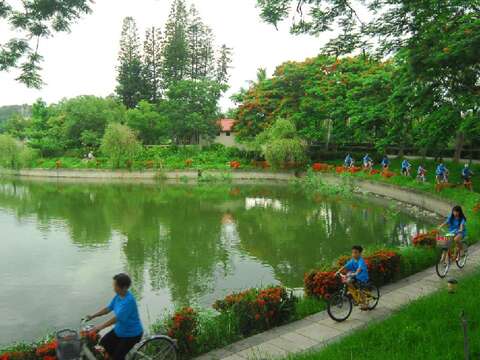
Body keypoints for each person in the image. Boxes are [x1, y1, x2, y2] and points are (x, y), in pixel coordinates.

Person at [86, 274, 143, 360]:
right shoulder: (118, 296)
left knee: (117, 357)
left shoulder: (129, 302)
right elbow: (108, 309)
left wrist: (100, 327)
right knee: (103, 344)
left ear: (124, 288)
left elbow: (117, 318)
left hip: (131, 334)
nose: (113, 288)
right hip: (120, 330)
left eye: (115, 285)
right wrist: (93, 316)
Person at [336, 245, 369, 310]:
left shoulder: (361, 261)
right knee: (347, 282)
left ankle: (365, 303)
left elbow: (359, 268)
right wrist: (338, 271)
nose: (353, 254)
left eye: (355, 252)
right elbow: (345, 266)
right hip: (355, 276)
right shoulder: (352, 260)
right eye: (353, 252)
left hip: (362, 277)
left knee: (360, 290)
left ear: (360, 253)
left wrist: (356, 272)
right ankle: (355, 295)